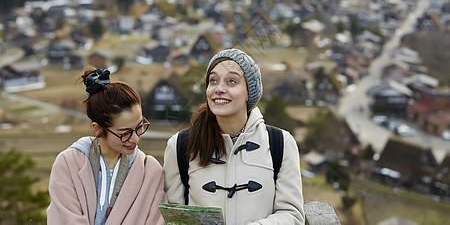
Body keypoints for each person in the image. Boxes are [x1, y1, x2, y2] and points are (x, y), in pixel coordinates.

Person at [164, 48, 305, 224]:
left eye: (231, 81)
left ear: (249, 93)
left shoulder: (281, 143)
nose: (219, 89)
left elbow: (292, 215)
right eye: (213, 81)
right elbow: (174, 217)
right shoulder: (180, 145)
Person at [47, 67, 167, 224]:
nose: (135, 139)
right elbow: (64, 219)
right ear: (98, 129)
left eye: (139, 127)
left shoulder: (151, 171)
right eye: (124, 133)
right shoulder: (69, 164)